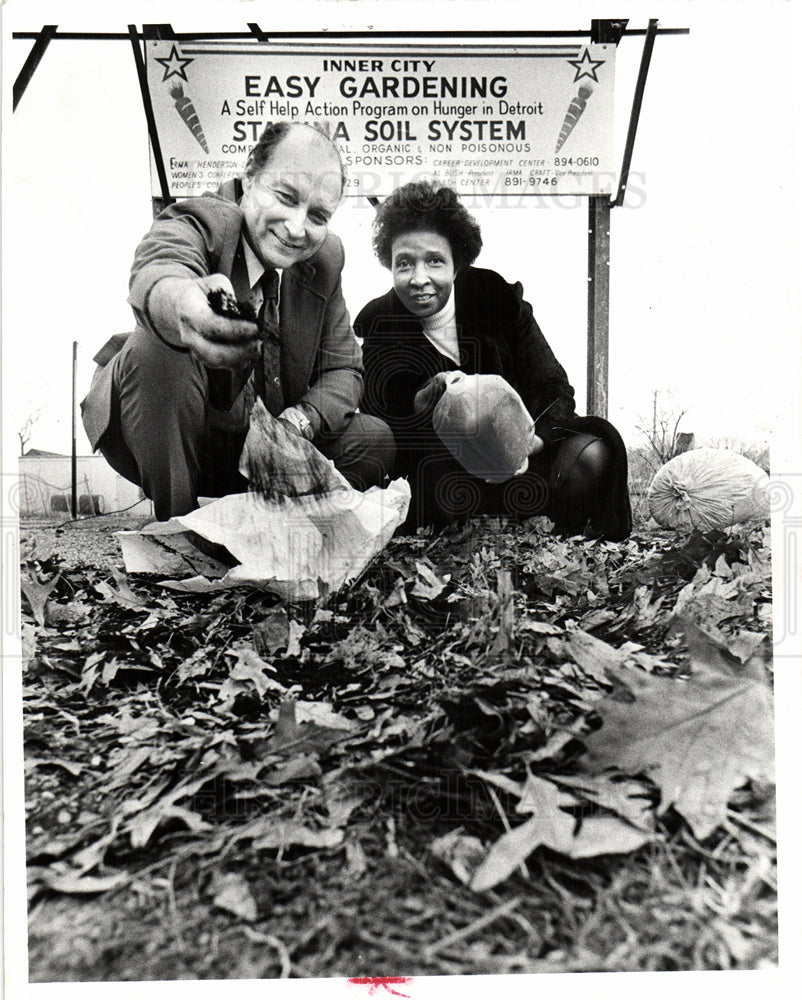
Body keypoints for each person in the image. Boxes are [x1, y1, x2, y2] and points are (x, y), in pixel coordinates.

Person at [81, 122, 395, 520]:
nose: (297, 228)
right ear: (249, 176)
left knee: (373, 439)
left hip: (268, 456)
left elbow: (345, 369)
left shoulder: (325, 259)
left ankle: (280, 527)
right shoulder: (199, 221)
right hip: (182, 441)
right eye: (285, 196)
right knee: (158, 348)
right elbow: (160, 266)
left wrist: (298, 422)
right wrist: (182, 304)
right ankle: (177, 527)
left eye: (317, 215)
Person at [354, 180, 631, 540]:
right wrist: (426, 399)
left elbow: (555, 388)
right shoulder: (379, 325)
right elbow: (383, 422)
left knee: (590, 456)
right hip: (444, 474)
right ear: (389, 266)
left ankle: (555, 531)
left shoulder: (496, 298)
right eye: (404, 263)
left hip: (526, 465)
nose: (419, 278)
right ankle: (477, 530)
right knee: (433, 485)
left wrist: (529, 442)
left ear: (456, 266)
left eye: (434, 261)